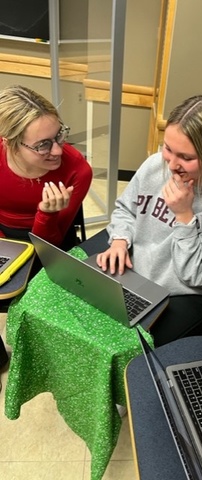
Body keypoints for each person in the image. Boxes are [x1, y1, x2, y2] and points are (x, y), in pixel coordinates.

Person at [97, 95, 202, 346]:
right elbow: (126, 208)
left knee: (126, 348)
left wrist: (184, 217)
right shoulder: (155, 165)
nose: (171, 164)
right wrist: (119, 241)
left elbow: (195, 275)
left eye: (186, 157)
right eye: (168, 148)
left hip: (183, 291)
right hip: (136, 272)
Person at [0, 84, 93, 374]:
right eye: (43, 144)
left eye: (59, 135)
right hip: (3, 237)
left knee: (47, 299)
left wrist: (46, 214)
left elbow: (51, 243)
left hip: (47, 240)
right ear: (10, 142)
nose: (57, 150)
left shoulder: (77, 170)